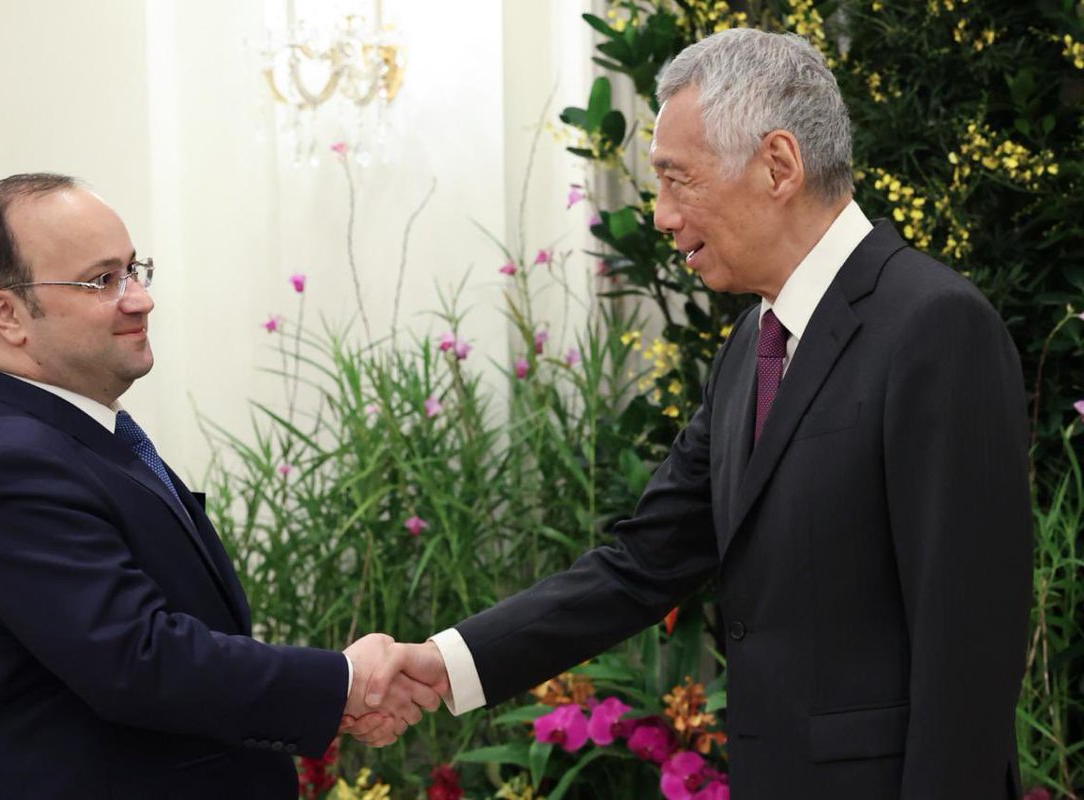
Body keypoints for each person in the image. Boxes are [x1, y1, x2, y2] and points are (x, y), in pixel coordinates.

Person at [353, 28, 1033, 800]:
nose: (664, 216)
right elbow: (644, 564)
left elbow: (968, 656)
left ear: (778, 165)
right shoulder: (753, 343)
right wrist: (443, 662)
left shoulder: (936, 327)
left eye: (680, 180)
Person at [0, 173, 431, 799]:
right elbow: (141, 659)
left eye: (135, 270)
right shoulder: (5, 465)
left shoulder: (76, 435)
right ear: (6, 313)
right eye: (102, 280)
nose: (139, 299)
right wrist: (344, 682)